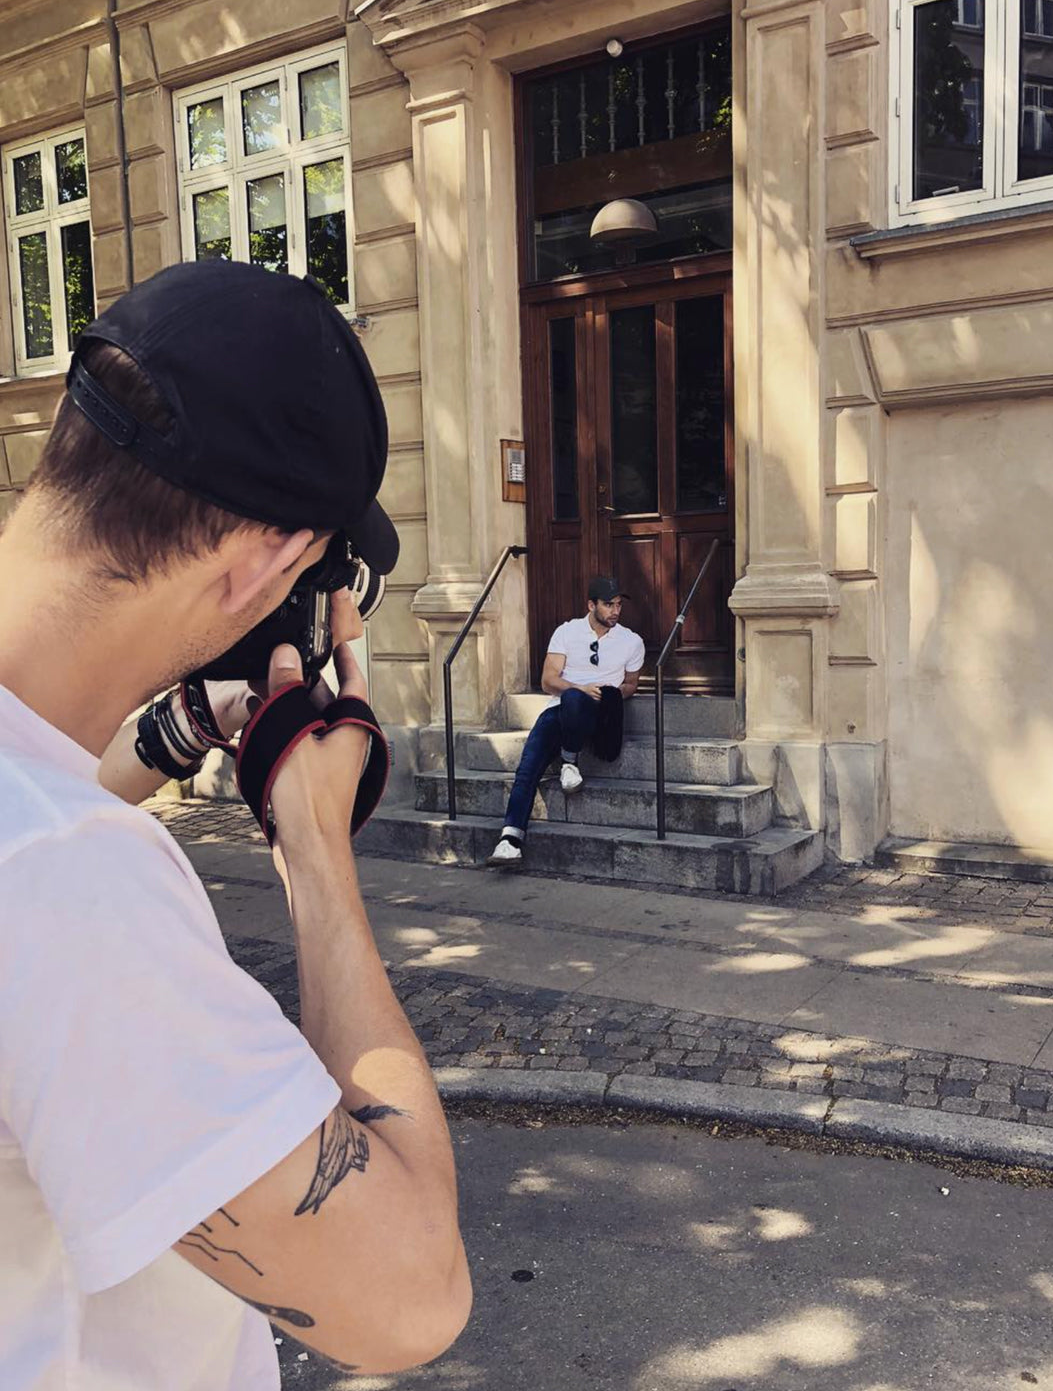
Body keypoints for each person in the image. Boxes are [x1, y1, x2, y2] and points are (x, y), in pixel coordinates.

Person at [0, 261, 471, 1389]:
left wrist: (163, 738)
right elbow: (412, 1297)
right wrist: (315, 844)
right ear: (265, 562)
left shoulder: (42, 841)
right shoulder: (70, 883)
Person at [487, 576, 645, 868]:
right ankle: (510, 840)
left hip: (597, 713)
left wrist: (611, 694)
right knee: (528, 767)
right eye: (608, 605)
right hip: (561, 708)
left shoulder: (631, 641)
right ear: (591, 605)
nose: (615, 611)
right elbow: (548, 681)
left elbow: (631, 684)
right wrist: (579, 688)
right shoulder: (567, 632)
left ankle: (569, 760)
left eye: (618, 605)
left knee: (576, 700)